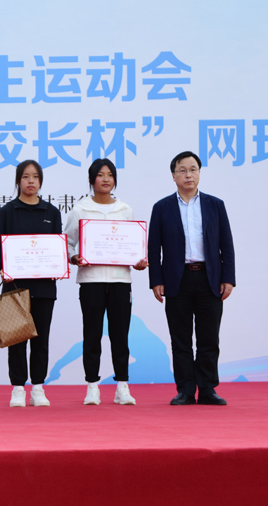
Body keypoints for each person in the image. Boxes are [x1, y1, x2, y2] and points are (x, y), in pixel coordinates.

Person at [148, 151, 235, 406]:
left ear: (199, 173)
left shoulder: (215, 205)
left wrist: (228, 277)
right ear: (173, 175)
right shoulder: (162, 207)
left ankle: (207, 389)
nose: (188, 175)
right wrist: (156, 280)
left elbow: (226, 244)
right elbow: (154, 248)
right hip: (177, 280)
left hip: (210, 278)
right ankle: (185, 389)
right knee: (181, 339)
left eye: (193, 169)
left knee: (209, 338)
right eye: (183, 170)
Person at [64, 158, 148, 406]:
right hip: (91, 280)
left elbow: (134, 245)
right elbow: (67, 242)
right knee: (91, 335)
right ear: (92, 180)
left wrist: (138, 260)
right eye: (100, 175)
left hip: (121, 281)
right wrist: (74, 257)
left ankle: (122, 386)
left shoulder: (125, 210)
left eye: (110, 175)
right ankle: (92, 386)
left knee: (120, 334)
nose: (106, 179)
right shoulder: (80, 210)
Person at [0, 160, 62, 408]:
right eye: (25, 176)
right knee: (17, 340)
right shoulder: (7, 212)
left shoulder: (51, 212)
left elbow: (57, 248)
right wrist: (5, 268)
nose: (31, 181)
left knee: (41, 340)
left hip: (44, 288)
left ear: (40, 181)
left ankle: (38, 387)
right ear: (18, 180)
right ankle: (18, 388)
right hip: (15, 286)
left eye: (35, 176)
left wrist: (57, 265)